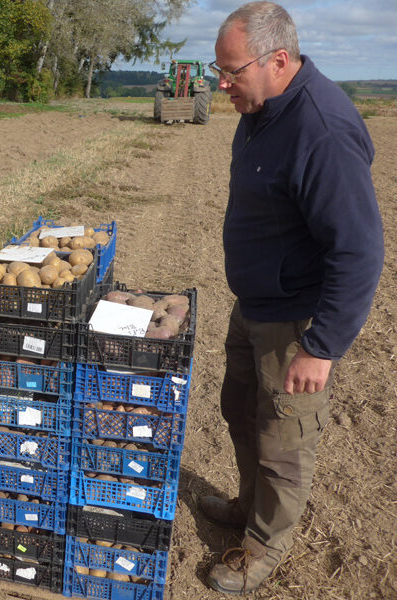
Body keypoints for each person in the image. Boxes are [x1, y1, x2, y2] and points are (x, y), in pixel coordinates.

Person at [201, 1, 384, 595]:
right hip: (253, 303)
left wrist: (321, 345)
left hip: (295, 320)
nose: (222, 83)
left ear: (278, 60)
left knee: (283, 440)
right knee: (241, 411)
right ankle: (248, 506)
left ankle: (262, 546)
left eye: (232, 72)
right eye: (219, 70)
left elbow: (359, 253)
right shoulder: (260, 109)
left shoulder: (321, 130)